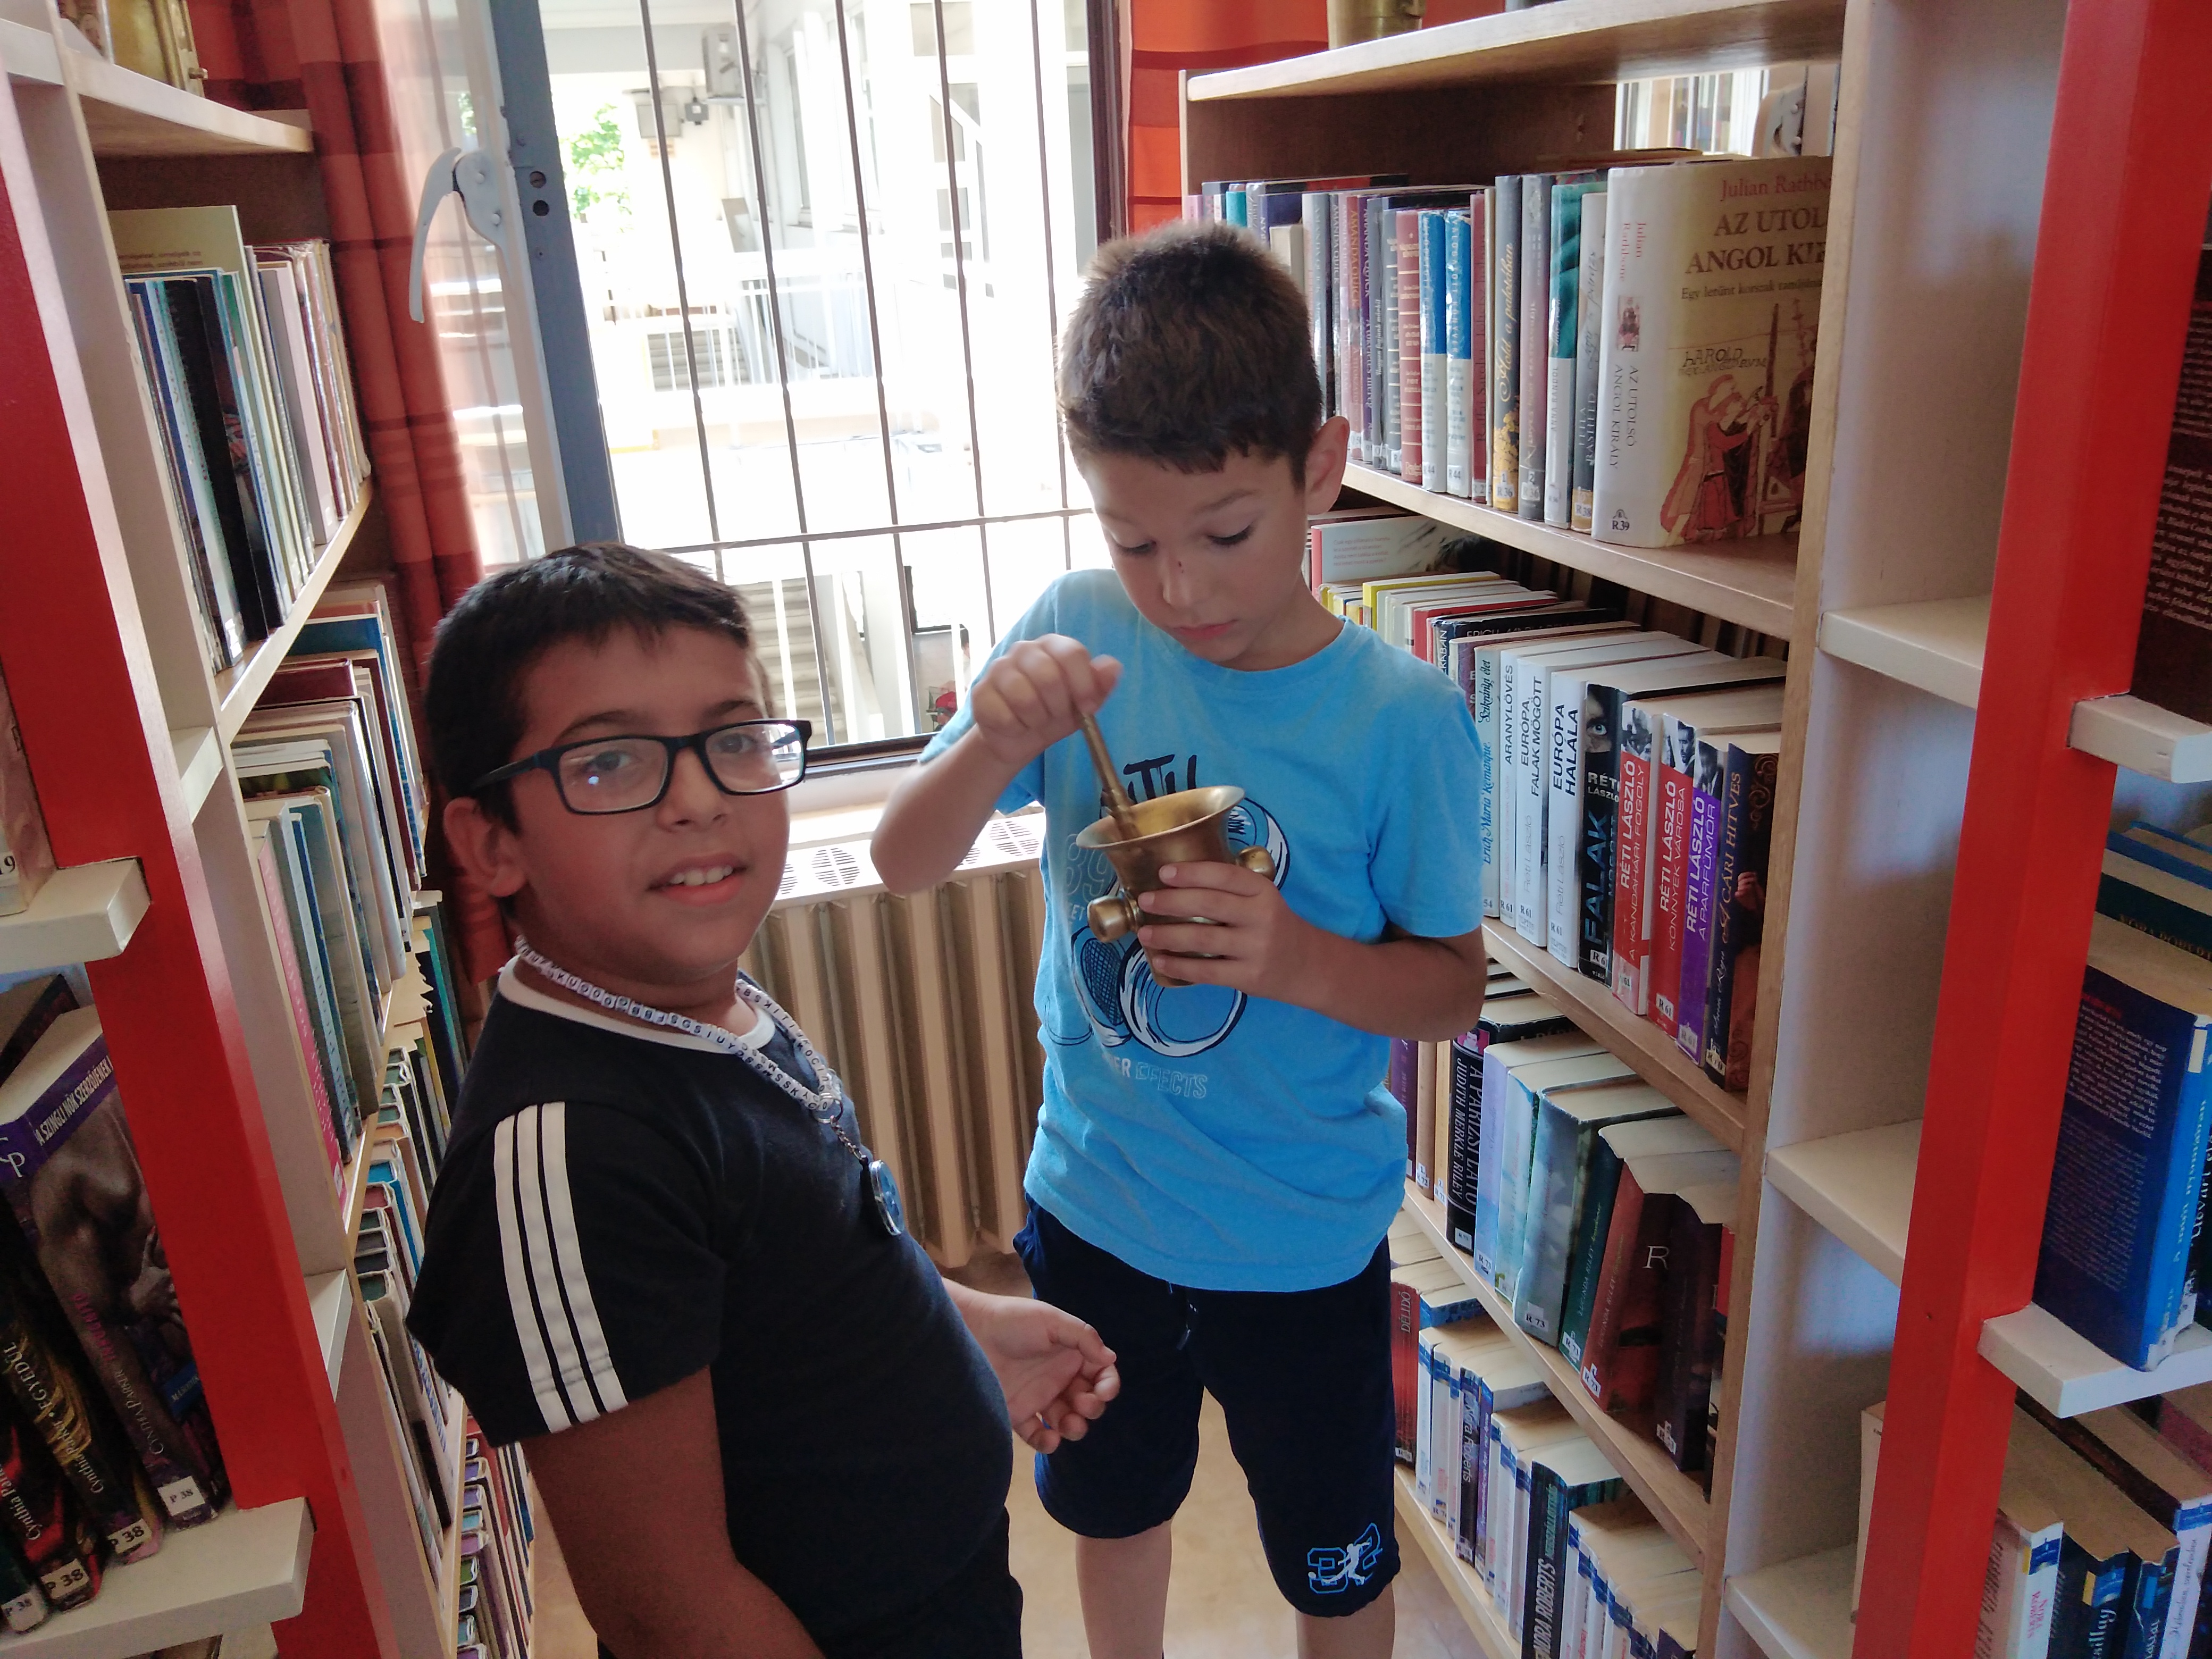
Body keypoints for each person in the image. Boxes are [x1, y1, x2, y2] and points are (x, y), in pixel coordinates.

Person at [872, 220, 1490, 1659]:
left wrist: (1294, 959)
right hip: (1098, 1206)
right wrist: (990, 745)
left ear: (1319, 468)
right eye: (1132, 539)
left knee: (1335, 1561)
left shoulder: (1400, 720)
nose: (1181, 589)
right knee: (1113, 1510)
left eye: (1224, 534)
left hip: (1304, 1238)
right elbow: (905, 862)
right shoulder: (1079, 627)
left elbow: (1450, 995)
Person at [406, 544, 1120, 1659]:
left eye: (734, 741)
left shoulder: (696, 1000)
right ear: (491, 843)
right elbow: (670, 1610)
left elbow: (800, 1266)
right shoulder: (569, 1154)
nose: (698, 799)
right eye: (610, 762)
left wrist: (961, 1327)